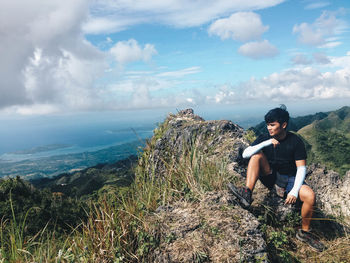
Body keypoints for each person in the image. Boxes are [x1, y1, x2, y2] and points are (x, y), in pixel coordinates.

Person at [228, 105, 325, 252]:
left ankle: (304, 232)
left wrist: (294, 191)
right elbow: (245, 154)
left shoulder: (295, 141)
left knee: (310, 196)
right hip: (270, 176)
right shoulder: (265, 138)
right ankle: (247, 193)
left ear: (284, 125)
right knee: (256, 156)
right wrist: (266, 143)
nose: (269, 128)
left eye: (272, 125)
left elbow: (301, 168)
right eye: (268, 124)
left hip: (290, 180)